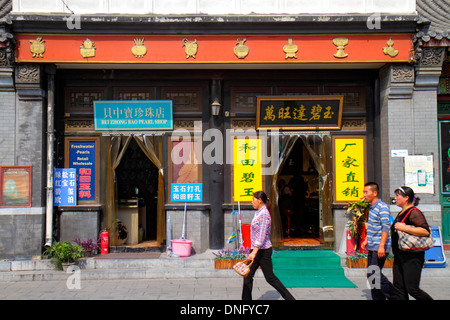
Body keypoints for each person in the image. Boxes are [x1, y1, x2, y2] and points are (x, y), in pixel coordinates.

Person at [242, 191, 295, 300]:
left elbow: (261, 237)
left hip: (263, 251)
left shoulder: (264, 214)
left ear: (260, 200)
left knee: (270, 278)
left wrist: (253, 252)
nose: (252, 202)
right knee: (247, 275)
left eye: (253, 200)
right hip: (257, 250)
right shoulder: (258, 212)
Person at [391, 186, 433, 300]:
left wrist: (404, 228)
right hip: (399, 256)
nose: (395, 198)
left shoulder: (414, 212)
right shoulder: (401, 212)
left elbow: (425, 231)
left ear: (406, 198)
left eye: (397, 196)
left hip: (412, 257)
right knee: (399, 288)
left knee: (412, 289)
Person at [361, 182, 396, 300]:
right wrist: (366, 239)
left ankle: (394, 295)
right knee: (371, 275)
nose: (364, 195)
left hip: (379, 247)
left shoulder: (382, 207)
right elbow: (373, 226)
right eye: (364, 192)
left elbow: (386, 227)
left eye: (366, 192)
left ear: (375, 193)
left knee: (374, 274)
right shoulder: (372, 207)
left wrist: (382, 246)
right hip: (372, 246)